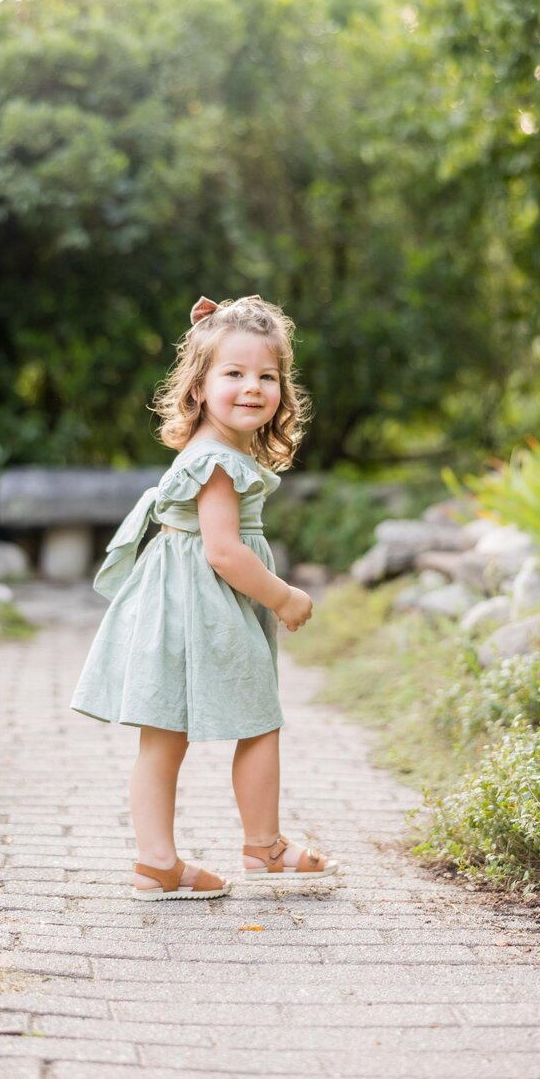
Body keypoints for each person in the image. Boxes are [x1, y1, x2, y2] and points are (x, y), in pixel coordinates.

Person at [70, 294, 338, 900]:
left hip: (180, 604)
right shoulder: (217, 462)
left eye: (266, 376)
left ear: (283, 389)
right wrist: (284, 596)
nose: (252, 387)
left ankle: (157, 862)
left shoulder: (216, 452)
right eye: (234, 374)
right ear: (198, 388)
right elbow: (222, 551)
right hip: (203, 606)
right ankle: (262, 846)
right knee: (258, 721)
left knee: (164, 734)